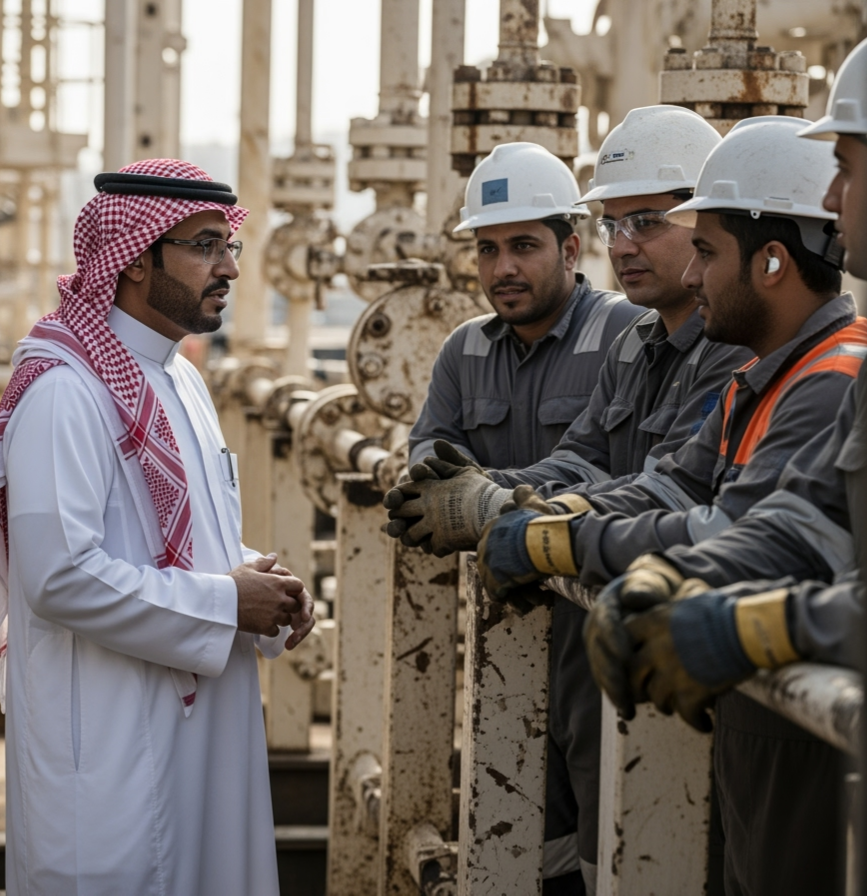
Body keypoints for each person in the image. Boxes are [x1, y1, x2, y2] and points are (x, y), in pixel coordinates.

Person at [385, 107, 748, 893]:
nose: (625, 244)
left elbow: (669, 486)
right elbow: (582, 456)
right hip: (581, 623)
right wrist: (488, 494)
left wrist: (499, 509)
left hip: (676, 661)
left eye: (647, 221)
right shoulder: (639, 342)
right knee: (566, 839)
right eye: (616, 223)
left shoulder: (732, 354)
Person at [582, 39, 867, 896]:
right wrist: (674, 576)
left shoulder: (832, 372)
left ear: (770, 260)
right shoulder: (795, 377)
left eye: (847, 165)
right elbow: (803, 518)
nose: (831, 195)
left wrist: (760, 627)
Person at [0, 159, 315, 895]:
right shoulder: (66, 393)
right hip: (111, 751)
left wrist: (262, 582)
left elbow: (182, 538)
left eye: (230, 246)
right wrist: (226, 602)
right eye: (206, 245)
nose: (229, 267)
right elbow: (58, 576)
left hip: (199, 736)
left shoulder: (180, 379)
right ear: (136, 260)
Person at [474, 116, 862, 607]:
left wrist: (560, 540)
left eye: (705, 251)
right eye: (612, 226)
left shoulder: (831, 381)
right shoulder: (753, 379)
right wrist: (555, 514)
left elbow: (739, 534)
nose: (693, 275)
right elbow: (673, 489)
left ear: (771, 262)